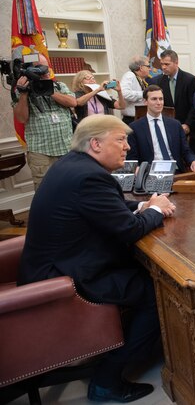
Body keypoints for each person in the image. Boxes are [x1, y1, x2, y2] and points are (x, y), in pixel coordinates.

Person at [18, 114, 176, 402]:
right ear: (95, 144)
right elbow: (128, 230)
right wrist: (154, 211)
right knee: (157, 290)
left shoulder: (73, 165)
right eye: (120, 140)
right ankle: (107, 379)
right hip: (63, 278)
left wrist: (144, 203)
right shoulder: (89, 177)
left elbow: (107, 206)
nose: (127, 147)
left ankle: (122, 345)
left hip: (53, 264)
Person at [12, 53, 77, 189]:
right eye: (38, 69)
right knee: (45, 190)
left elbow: (73, 102)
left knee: (70, 186)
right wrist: (24, 94)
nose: (43, 72)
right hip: (41, 152)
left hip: (66, 148)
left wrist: (49, 89)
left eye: (45, 68)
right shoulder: (20, 91)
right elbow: (21, 118)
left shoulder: (59, 86)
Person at [127, 85, 195, 173]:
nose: (159, 102)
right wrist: (137, 169)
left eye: (161, 99)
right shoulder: (135, 128)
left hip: (175, 171)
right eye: (154, 99)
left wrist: (193, 161)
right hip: (151, 173)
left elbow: (186, 150)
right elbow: (132, 158)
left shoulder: (175, 125)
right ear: (145, 102)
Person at [151, 49, 195, 168]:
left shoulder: (190, 80)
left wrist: (188, 124)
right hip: (169, 130)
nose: (163, 67)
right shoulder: (158, 81)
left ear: (176, 63)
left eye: (167, 64)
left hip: (191, 130)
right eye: (162, 64)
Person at [120, 55, 150, 124]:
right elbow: (124, 94)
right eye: (148, 66)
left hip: (140, 118)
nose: (150, 69)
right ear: (141, 68)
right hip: (131, 120)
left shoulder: (141, 79)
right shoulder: (130, 75)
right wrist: (144, 94)